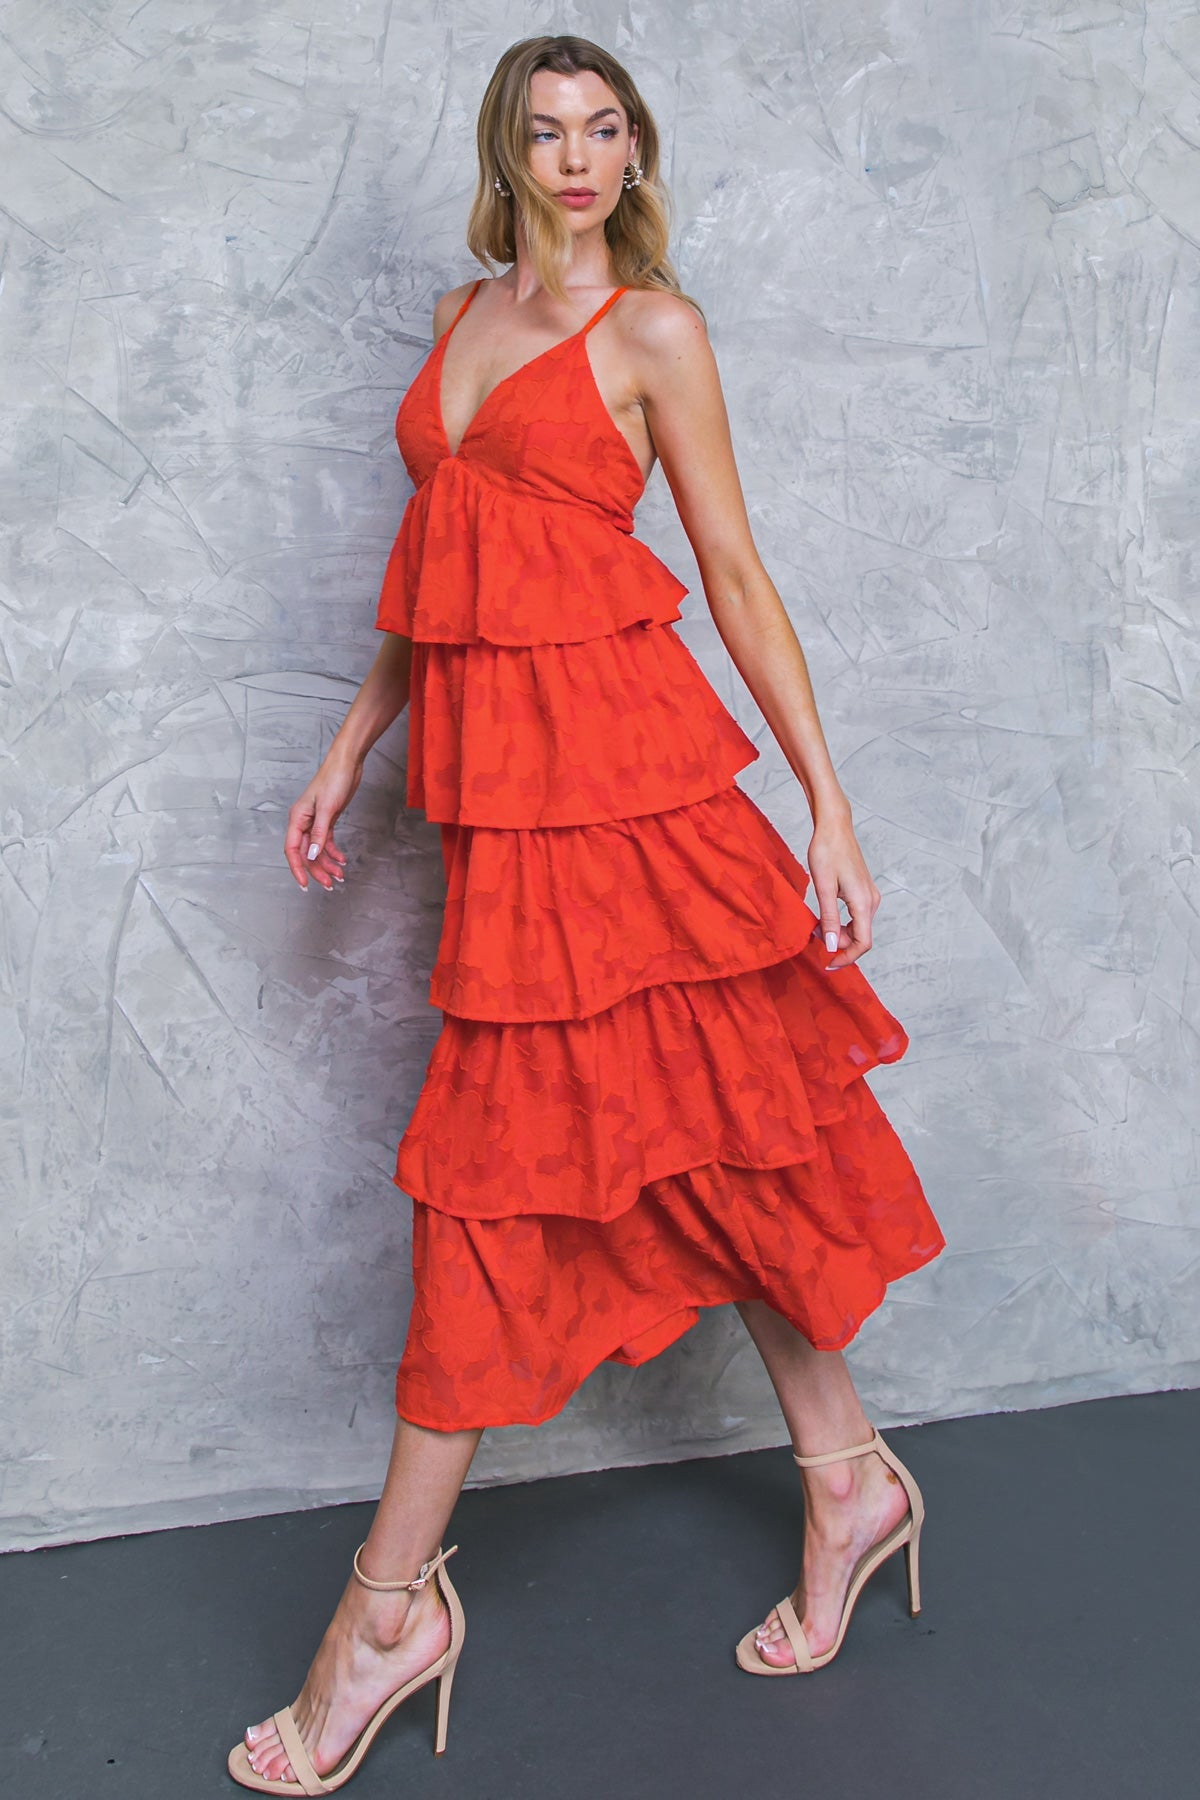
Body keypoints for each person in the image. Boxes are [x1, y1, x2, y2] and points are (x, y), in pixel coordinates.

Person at [227, 32, 946, 1795]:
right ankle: (850, 1478)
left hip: (638, 815)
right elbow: (441, 568)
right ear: (508, 150)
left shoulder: (654, 335)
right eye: (545, 132)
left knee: (589, 1165)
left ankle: (385, 1613)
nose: (575, 158)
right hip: (510, 833)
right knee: (695, 1151)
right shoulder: (466, 325)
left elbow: (734, 573)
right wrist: (350, 742)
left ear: (636, 151)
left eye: (603, 129)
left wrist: (829, 804)